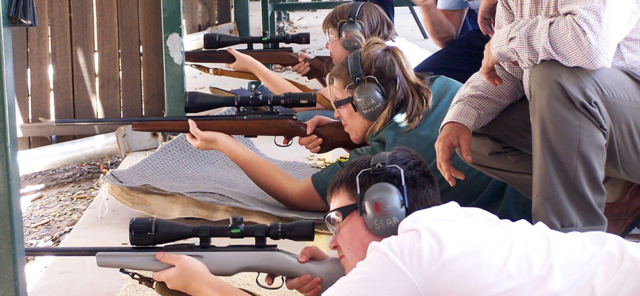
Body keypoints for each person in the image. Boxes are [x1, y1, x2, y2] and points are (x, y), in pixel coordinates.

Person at [435, 0, 640, 237]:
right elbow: (506, 71)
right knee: (474, 130)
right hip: (603, 120)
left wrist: (506, 40)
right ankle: (613, 198)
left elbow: (586, 45)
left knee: (554, 75)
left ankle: (570, 245)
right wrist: (458, 116)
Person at [153, 148, 640, 296]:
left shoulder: (403, 255)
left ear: (380, 211)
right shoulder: (455, 224)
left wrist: (204, 287)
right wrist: (347, 273)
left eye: (335, 219)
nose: (332, 236)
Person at [187, 38, 532, 222]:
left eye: (338, 104)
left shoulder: (386, 160)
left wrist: (224, 144)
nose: (336, 114)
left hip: (522, 226)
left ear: (367, 101)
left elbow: (293, 194)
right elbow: (398, 127)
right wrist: (346, 135)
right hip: (539, 196)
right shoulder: (436, 86)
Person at [222, 1, 431, 121]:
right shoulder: (390, 48)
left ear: (351, 37)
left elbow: (304, 104)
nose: (327, 45)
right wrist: (321, 72)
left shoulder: (376, 63)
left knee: (306, 120)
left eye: (331, 37)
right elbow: (339, 96)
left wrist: (254, 66)